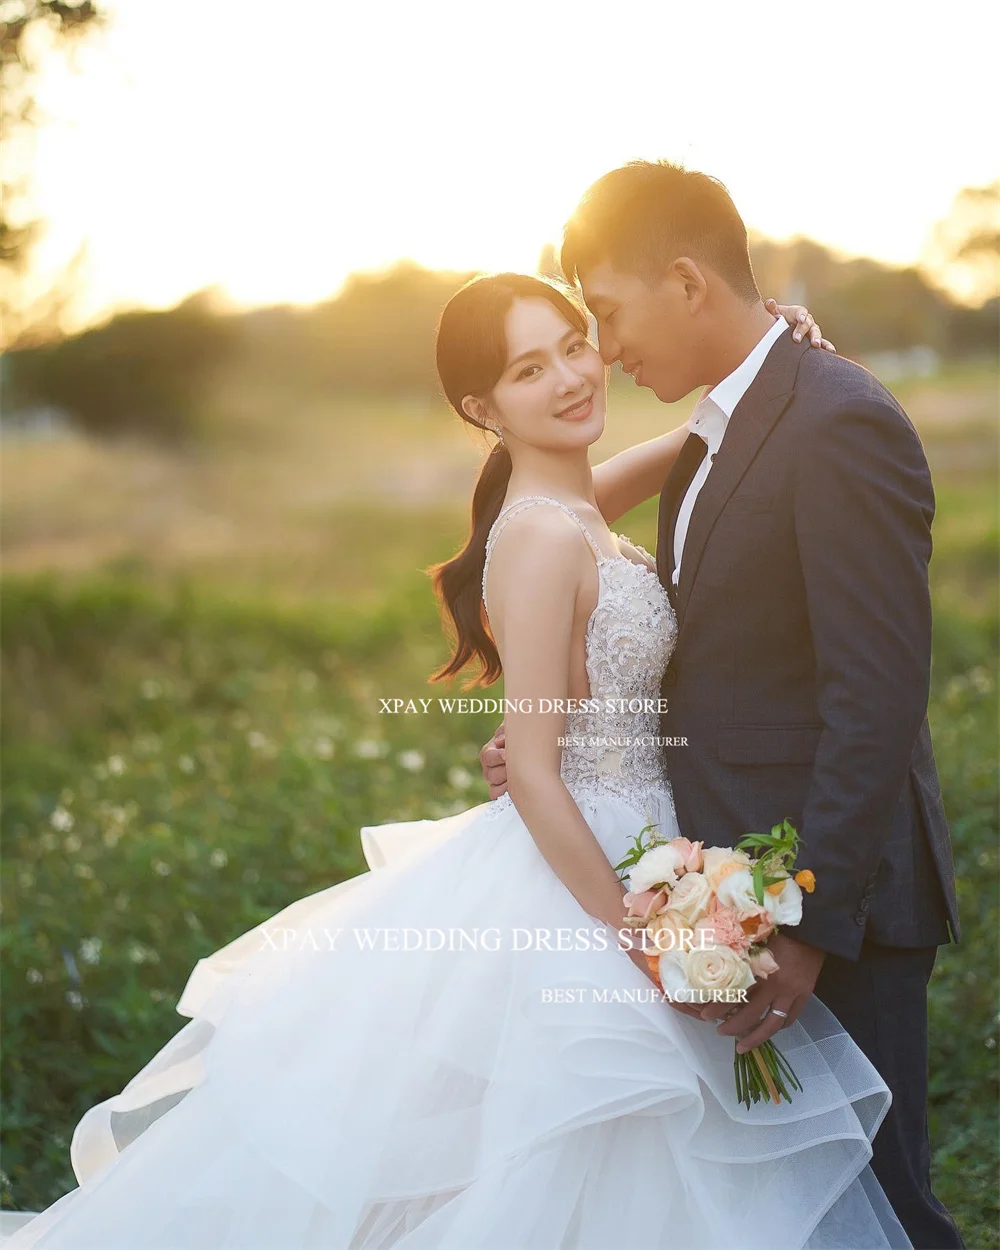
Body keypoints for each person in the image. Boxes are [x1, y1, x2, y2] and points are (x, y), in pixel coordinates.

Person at [5, 278, 908, 1250]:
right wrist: (637, 934)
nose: (569, 376)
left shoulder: (565, 510)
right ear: (482, 408)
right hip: (591, 870)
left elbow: (687, 454)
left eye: (573, 344)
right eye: (529, 368)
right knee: (577, 1143)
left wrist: (758, 369)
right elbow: (532, 769)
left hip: (647, 842)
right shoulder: (538, 533)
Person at [480, 161, 963, 1250]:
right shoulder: (718, 428)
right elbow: (596, 567)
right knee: (773, 1211)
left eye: (602, 315)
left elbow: (873, 697)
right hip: (720, 891)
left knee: (877, 1208)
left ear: (687, 283)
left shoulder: (837, 422)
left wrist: (808, 926)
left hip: (832, 907)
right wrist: (560, 718)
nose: (599, 351)